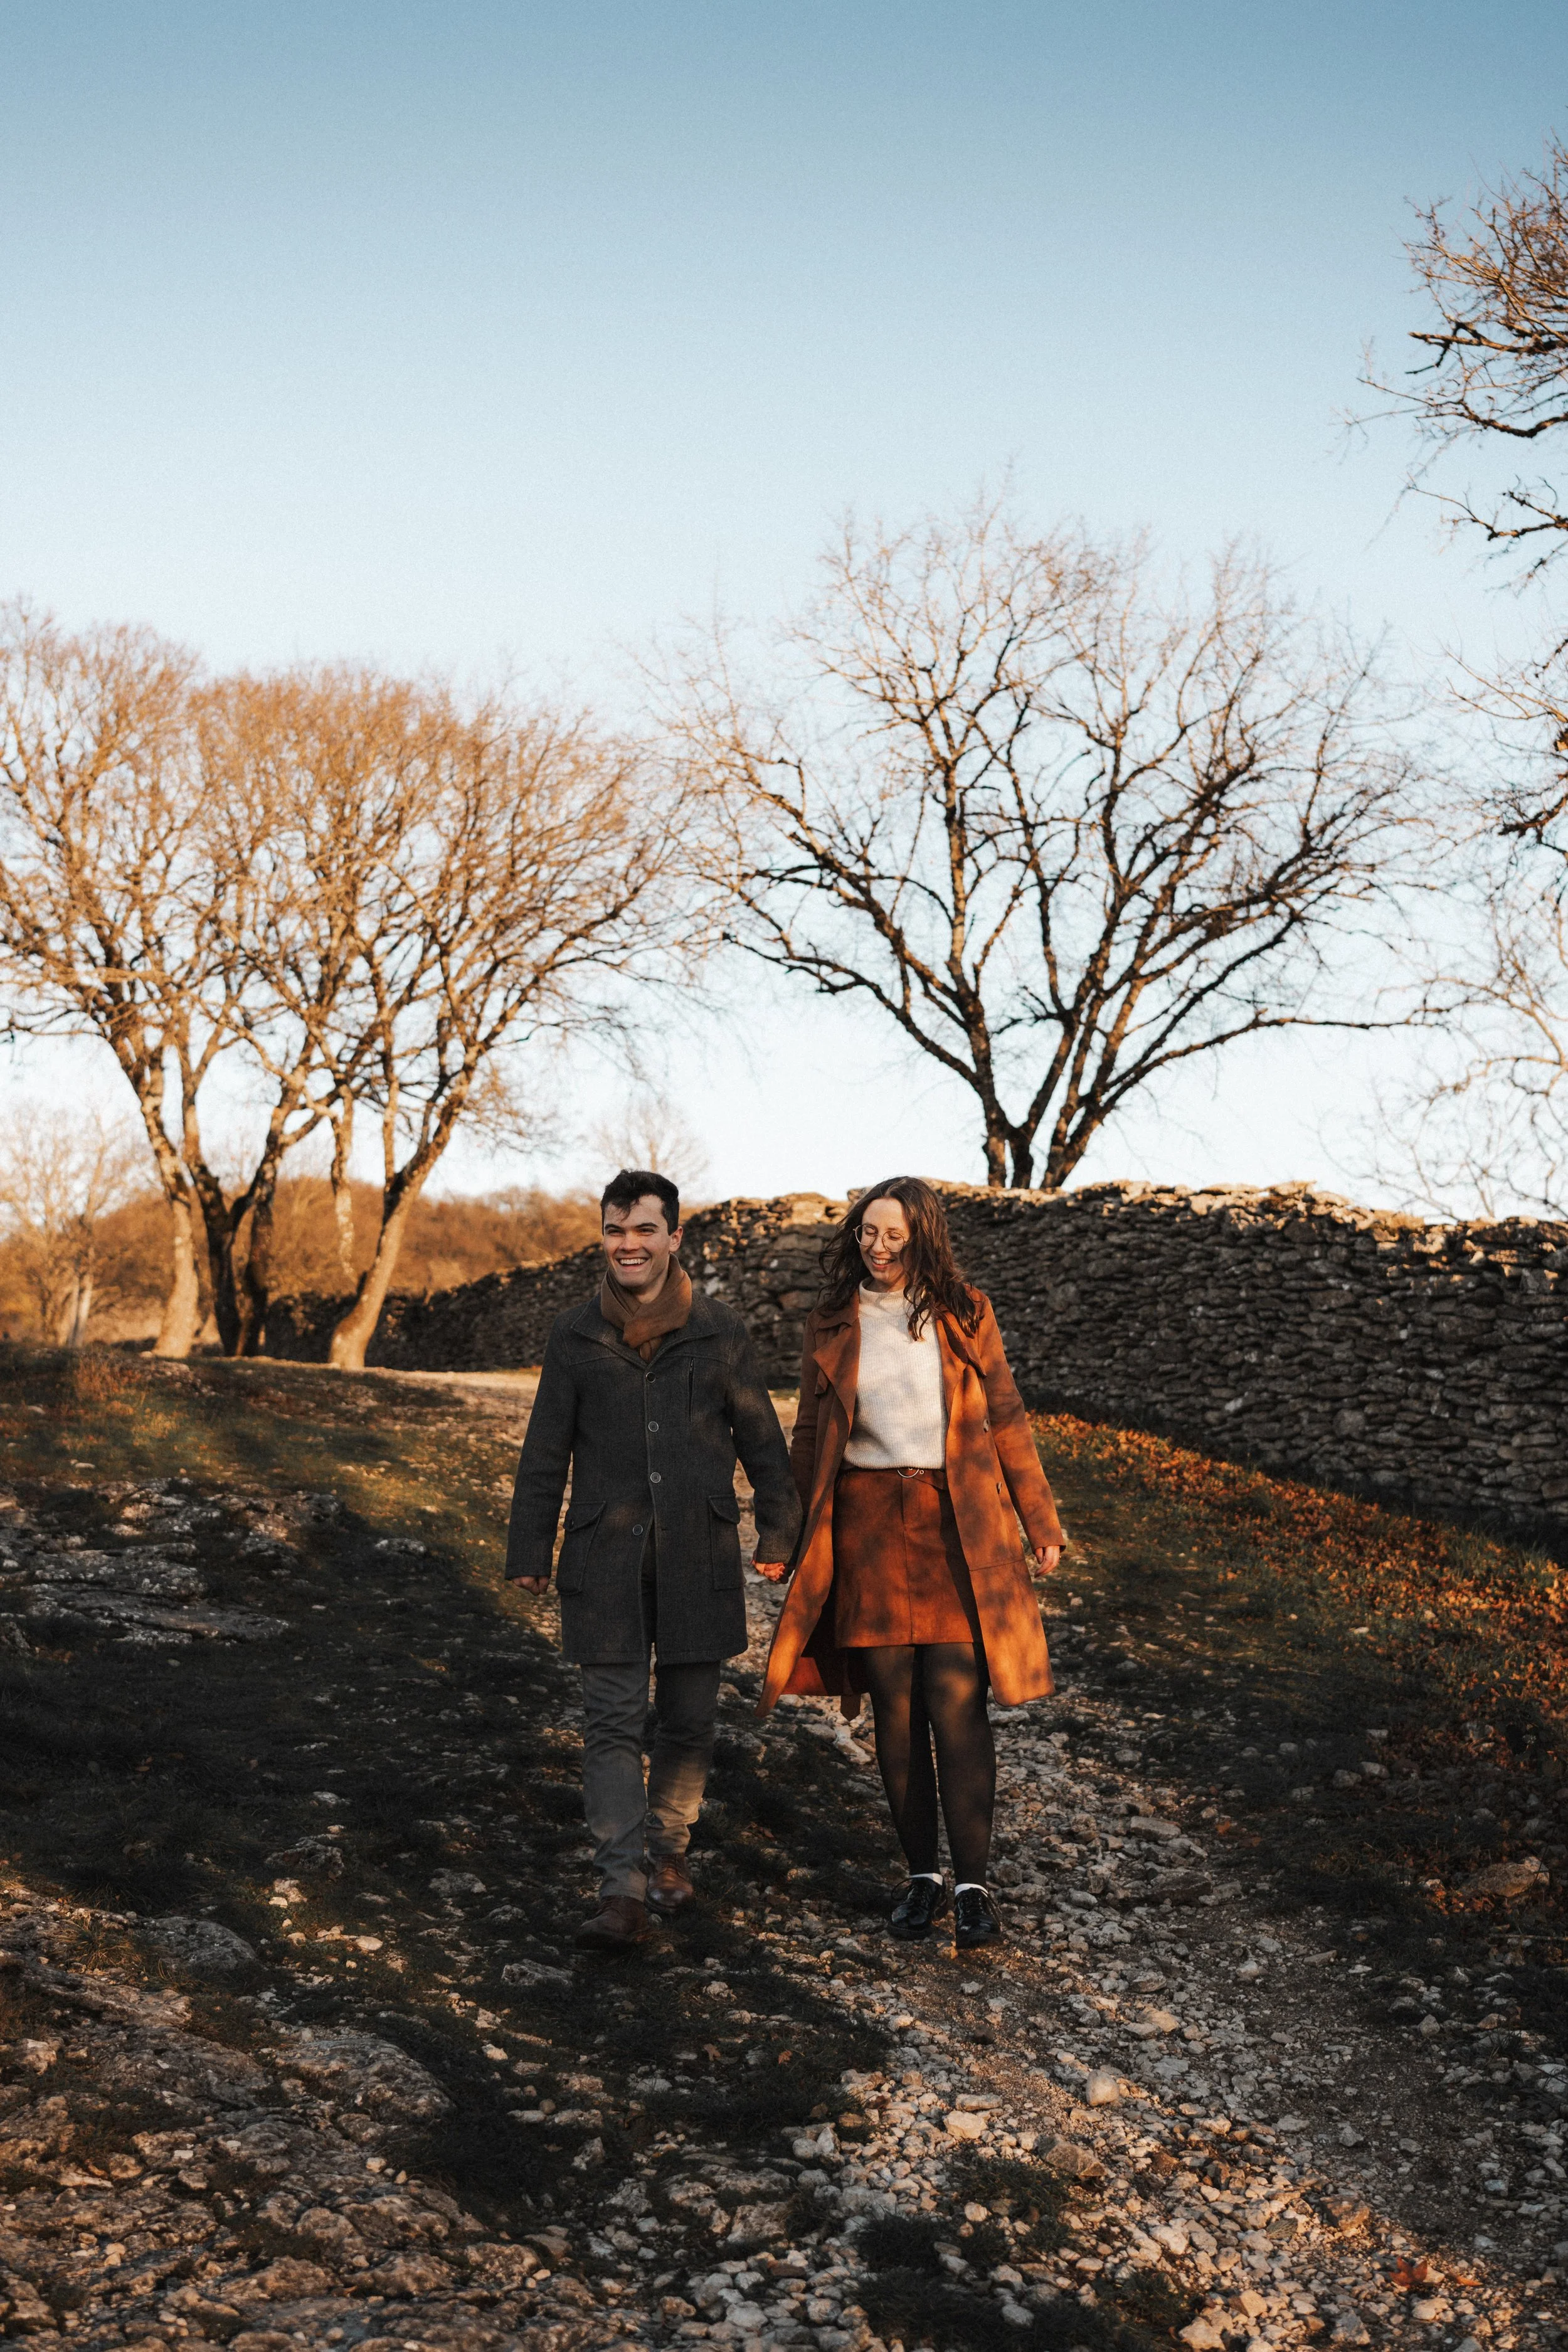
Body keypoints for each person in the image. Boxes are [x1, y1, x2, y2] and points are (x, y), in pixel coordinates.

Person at [757, 1177, 1062, 1951]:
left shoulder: (966, 1312)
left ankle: (973, 1886)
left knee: (956, 1701)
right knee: (893, 1707)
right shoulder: (833, 1319)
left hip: (955, 1525)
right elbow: (808, 1433)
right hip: (864, 1526)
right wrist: (785, 1539)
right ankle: (921, 1877)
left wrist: (1039, 1519)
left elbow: (1005, 1416)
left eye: (893, 1235)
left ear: (923, 1236)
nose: (877, 1247)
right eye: (866, 1233)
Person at [506, 1168, 800, 1951]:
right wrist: (528, 1547)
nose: (627, 1244)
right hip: (602, 1557)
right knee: (608, 1723)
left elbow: (762, 1445)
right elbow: (545, 1450)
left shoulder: (721, 1331)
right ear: (601, 1237)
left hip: (697, 1552)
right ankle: (621, 1889)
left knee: (688, 1721)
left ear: (674, 1236)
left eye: (643, 1230)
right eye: (614, 1230)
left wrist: (777, 1537)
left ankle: (670, 1852)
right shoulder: (574, 1334)